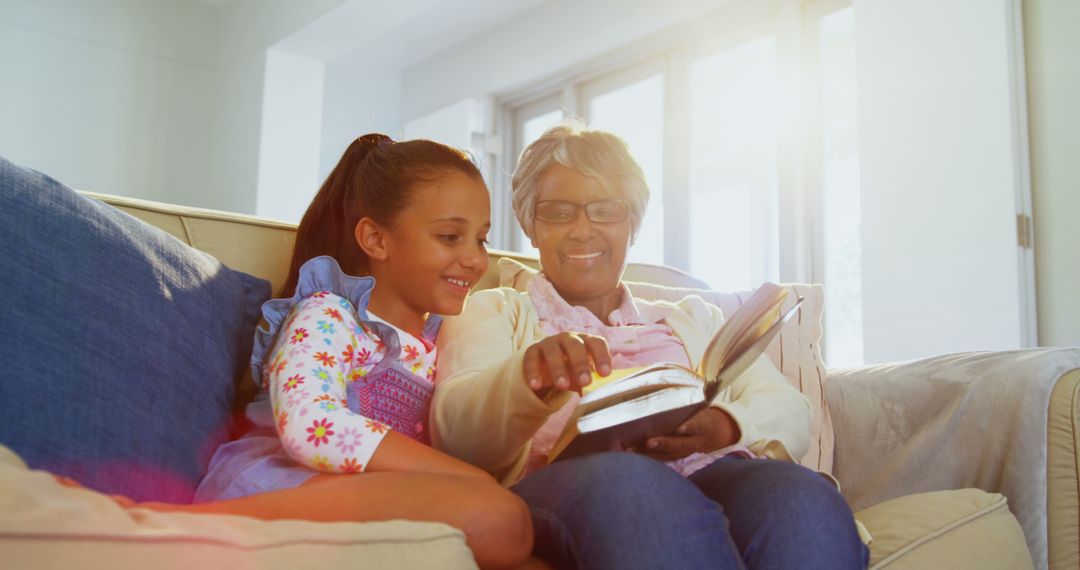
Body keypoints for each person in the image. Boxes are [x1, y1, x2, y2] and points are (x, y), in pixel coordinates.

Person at [432, 122, 869, 569]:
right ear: (530, 224)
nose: (582, 231)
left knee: (801, 496)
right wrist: (526, 378)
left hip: (708, 470)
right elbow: (454, 431)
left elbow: (790, 409)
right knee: (635, 485)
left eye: (606, 210)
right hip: (573, 488)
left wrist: (723, 424)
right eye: (559, 212)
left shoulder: (693, 319)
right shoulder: (494, 309)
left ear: (634, 225)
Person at [148, 134, 533, 569]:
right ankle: (198, 528)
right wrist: (466, 480)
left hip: (373, 506)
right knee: (499, 516)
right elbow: (311, 424)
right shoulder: (328, 314)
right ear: (375, 239)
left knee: (522, 546)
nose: (475, 260)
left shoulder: (445, 343)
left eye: (481, 240)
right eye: (450, 236)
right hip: (286, 486)